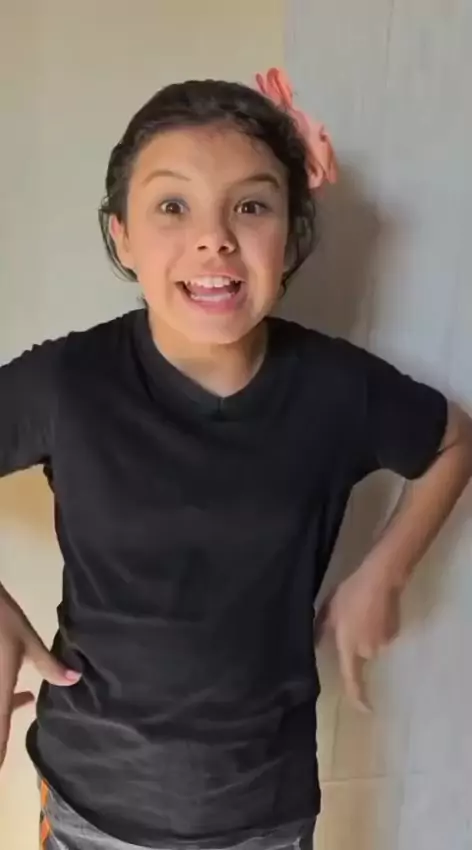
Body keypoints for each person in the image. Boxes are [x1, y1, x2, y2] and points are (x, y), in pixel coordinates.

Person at [0, 68, 471, 850]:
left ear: (292, 235)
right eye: (172, 206)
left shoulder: (335, 389)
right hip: (90, 802)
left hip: (264, 810)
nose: (214, 237)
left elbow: (454, 440)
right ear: (121, 235)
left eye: (251, 206)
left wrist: (383, 574)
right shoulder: (67, 383)